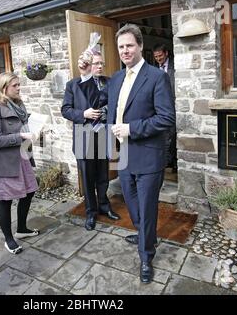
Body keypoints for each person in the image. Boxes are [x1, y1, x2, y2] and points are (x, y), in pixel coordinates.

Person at [101, 24, 175, 283]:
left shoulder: (156, 77)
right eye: (121, 47)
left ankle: (146, 256)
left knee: (146, 206)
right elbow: (113, 108)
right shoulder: (116, 78)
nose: (125, 51)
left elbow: (166, 118)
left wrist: (132, 129)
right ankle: (145, 233)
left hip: (148, 155)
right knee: (131, 205)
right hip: (124, 155)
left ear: (141, 46)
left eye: (130, 45)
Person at [62, 51, 120, 231]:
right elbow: (65, 110)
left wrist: (107, 110)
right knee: (87, 178)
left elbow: (117, 103)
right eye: (96, 63)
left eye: (102, 63)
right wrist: (83, 114)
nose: (100, 66)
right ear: (88, 65)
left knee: (103, 175)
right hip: (83, 137)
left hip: (102, 134)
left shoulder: (109, 82)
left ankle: (104, 205)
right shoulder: (73, 84)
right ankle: (90, 212)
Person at [0, 72, 39, 255]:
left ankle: (22, 228)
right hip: (4, 163)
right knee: (6, 201)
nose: (19, 88)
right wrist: (21, 136)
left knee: (29, 192)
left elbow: (24, 128)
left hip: (22, 157)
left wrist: (37, 132)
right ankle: (9, 239)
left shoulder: (18, 105)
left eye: (19, 84)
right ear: (4, 87)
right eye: (15, 85)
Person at [153, 43, 177, 172]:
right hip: (159, 109)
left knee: (173, 136)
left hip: (174, 106)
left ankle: (172, 163)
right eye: (156, 57)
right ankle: (166, 163)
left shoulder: (176, 66)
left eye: (160, 56)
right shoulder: (154, 70)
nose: (158, 59)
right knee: (164, 136)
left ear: (166, 53)